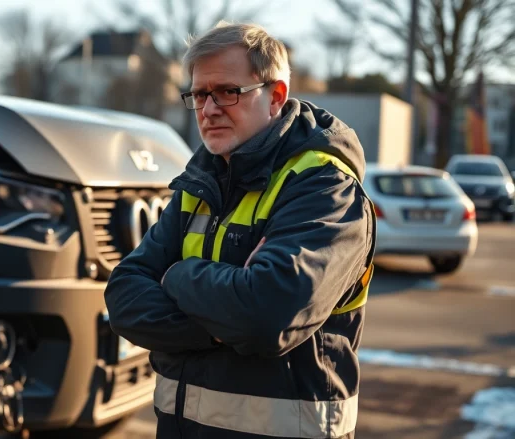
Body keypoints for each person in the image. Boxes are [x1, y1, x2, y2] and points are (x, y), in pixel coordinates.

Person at [104, 21, 377, 439]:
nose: (209, 109)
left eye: (227, 92)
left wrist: (175, 275)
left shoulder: (325, 187)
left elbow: (267, 315)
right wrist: (226, 317)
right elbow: (123, 297)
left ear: (276, 97)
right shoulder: (199, 184)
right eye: (198, 95)